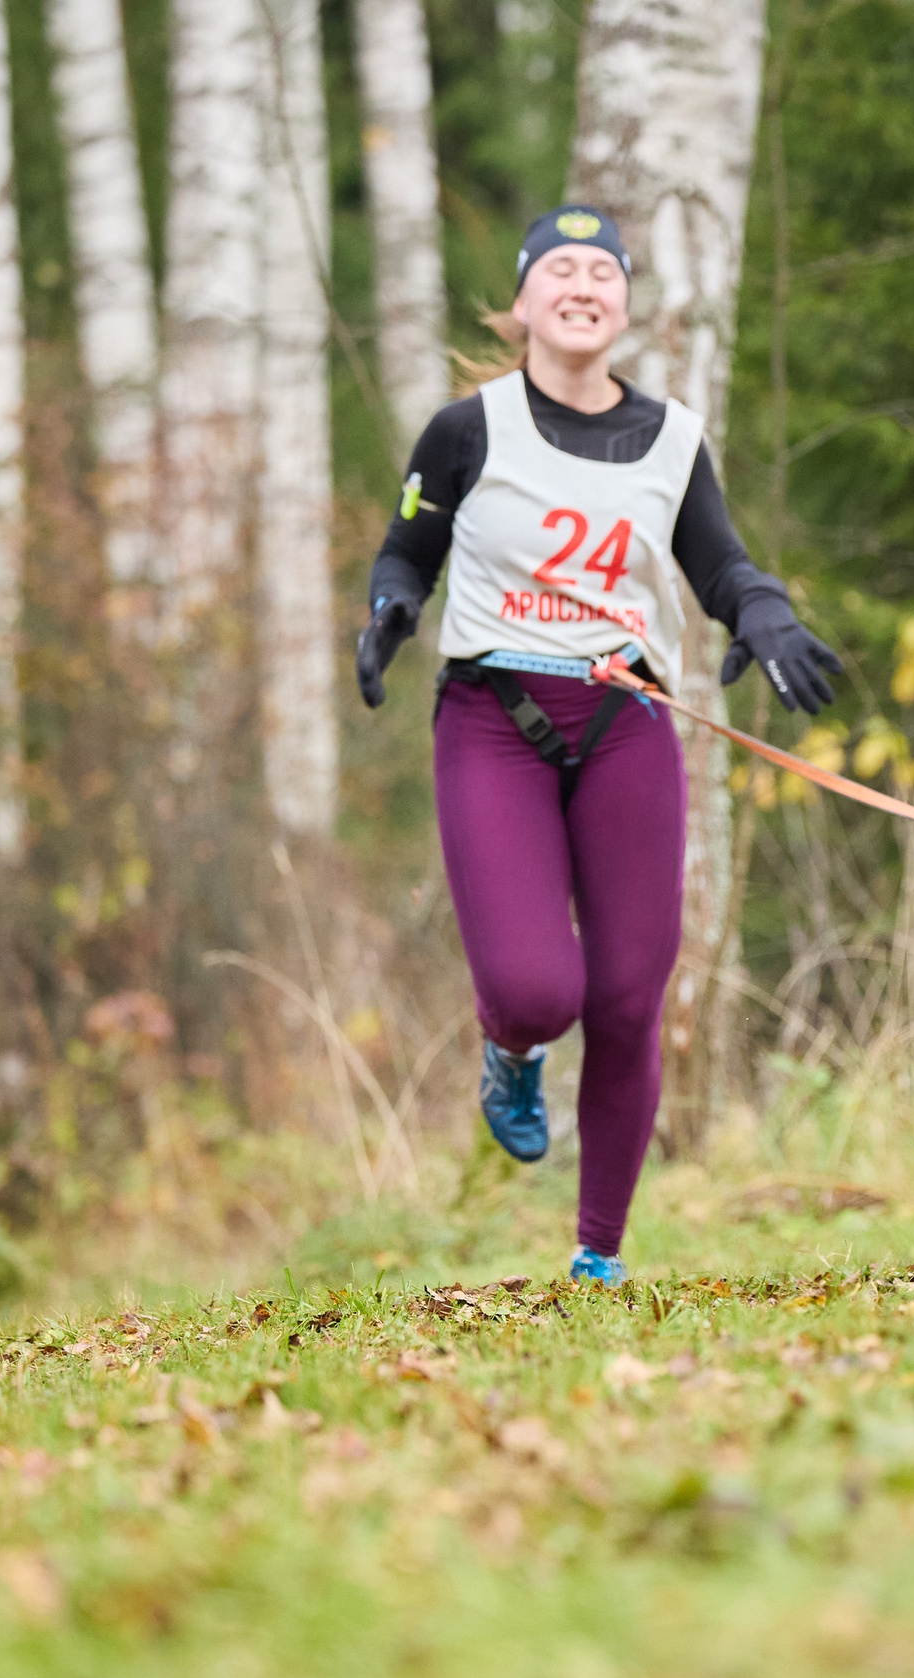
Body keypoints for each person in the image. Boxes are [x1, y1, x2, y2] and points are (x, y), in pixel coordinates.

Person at [353, 204, 842, 1287]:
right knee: (538, 989)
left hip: (625, 718)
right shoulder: (467, 428)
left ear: (624, 305)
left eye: (603, 273)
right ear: (523, 302)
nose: (583, 286)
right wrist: (388, 613)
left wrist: (760, 611)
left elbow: (720, 563)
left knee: (627, 995)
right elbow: (406, 551)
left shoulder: (669, 438)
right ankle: (510, 1049)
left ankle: (599, 1254)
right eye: (559, 270)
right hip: (494, 719)